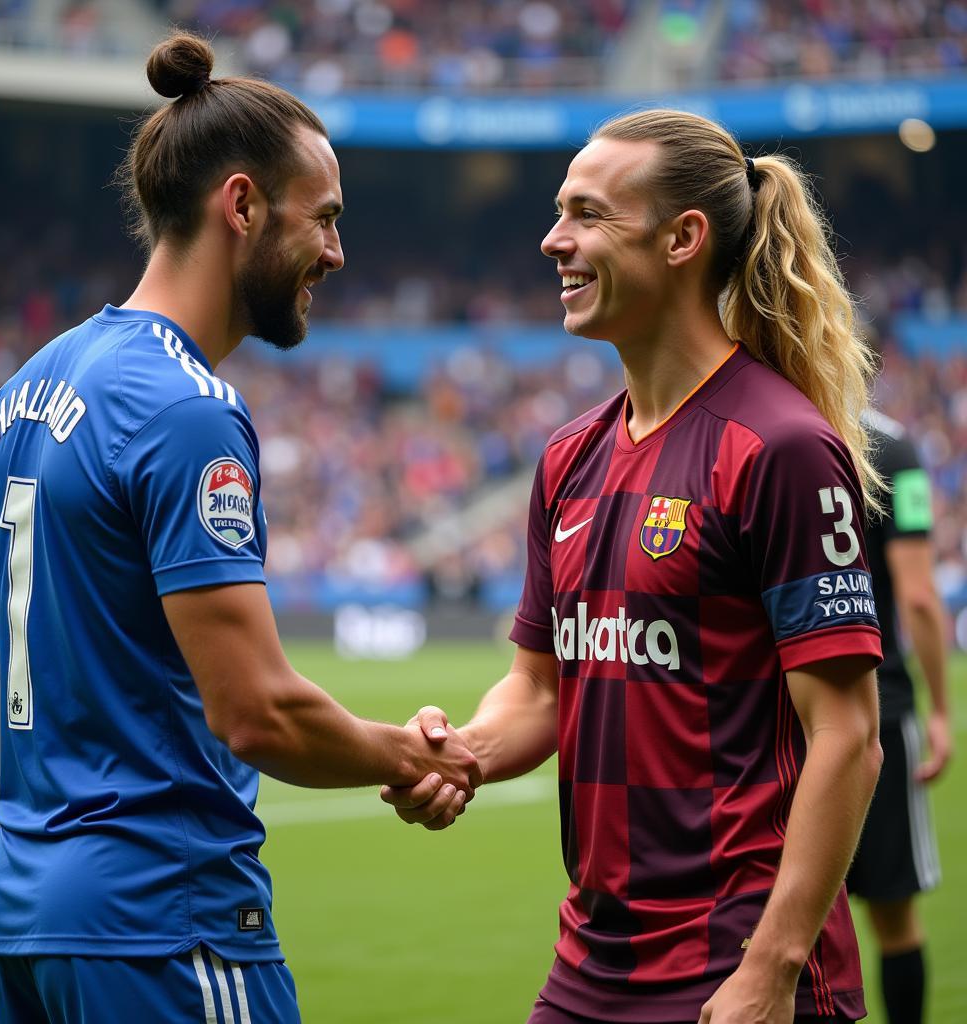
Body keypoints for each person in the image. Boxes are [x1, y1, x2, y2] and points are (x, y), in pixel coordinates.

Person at [0, 32, 478, 1024]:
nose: (337, 252)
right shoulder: (185, 408)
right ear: (240, 205)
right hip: (166, 921)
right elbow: (257, 713)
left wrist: (55, 826)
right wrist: (411, 756)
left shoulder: (29, 384)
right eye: (322, 219)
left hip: (26, 913)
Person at [385, 109, 885, 1024]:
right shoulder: (569, 457)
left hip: (737, 961)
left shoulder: (778, 446)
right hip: (592, 961)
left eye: (587, 213)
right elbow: (538, 689)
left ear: (683, 238)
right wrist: (460, 756)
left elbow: (848, 734)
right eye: (558, 211)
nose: (553, 239)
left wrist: (772, 968)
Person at [846, 409, 952, 1024]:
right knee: (894, 916)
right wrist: (940, 711)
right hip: (878, 706)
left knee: (780, 918)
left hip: (784, 713)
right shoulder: (896, 449)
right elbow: (917, 594)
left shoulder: (764, 430)